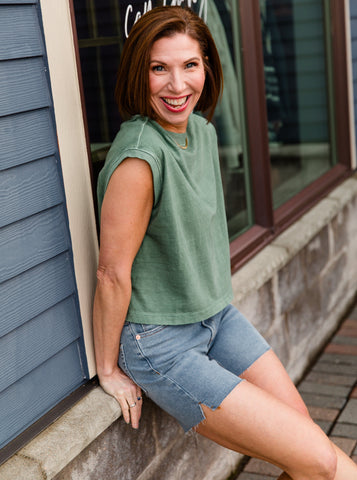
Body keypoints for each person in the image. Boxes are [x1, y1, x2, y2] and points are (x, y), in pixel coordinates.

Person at [93, 6, 357, 479]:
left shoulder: (201, 131)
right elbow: (112, 273)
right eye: (159, 68)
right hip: (158, 340)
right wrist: (108, 369)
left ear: (208, 67)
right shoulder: (139, 158)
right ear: (140, 72)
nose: (177, 86)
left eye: (189, 65)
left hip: (215, 316)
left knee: (316, 450)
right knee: (317, 459)